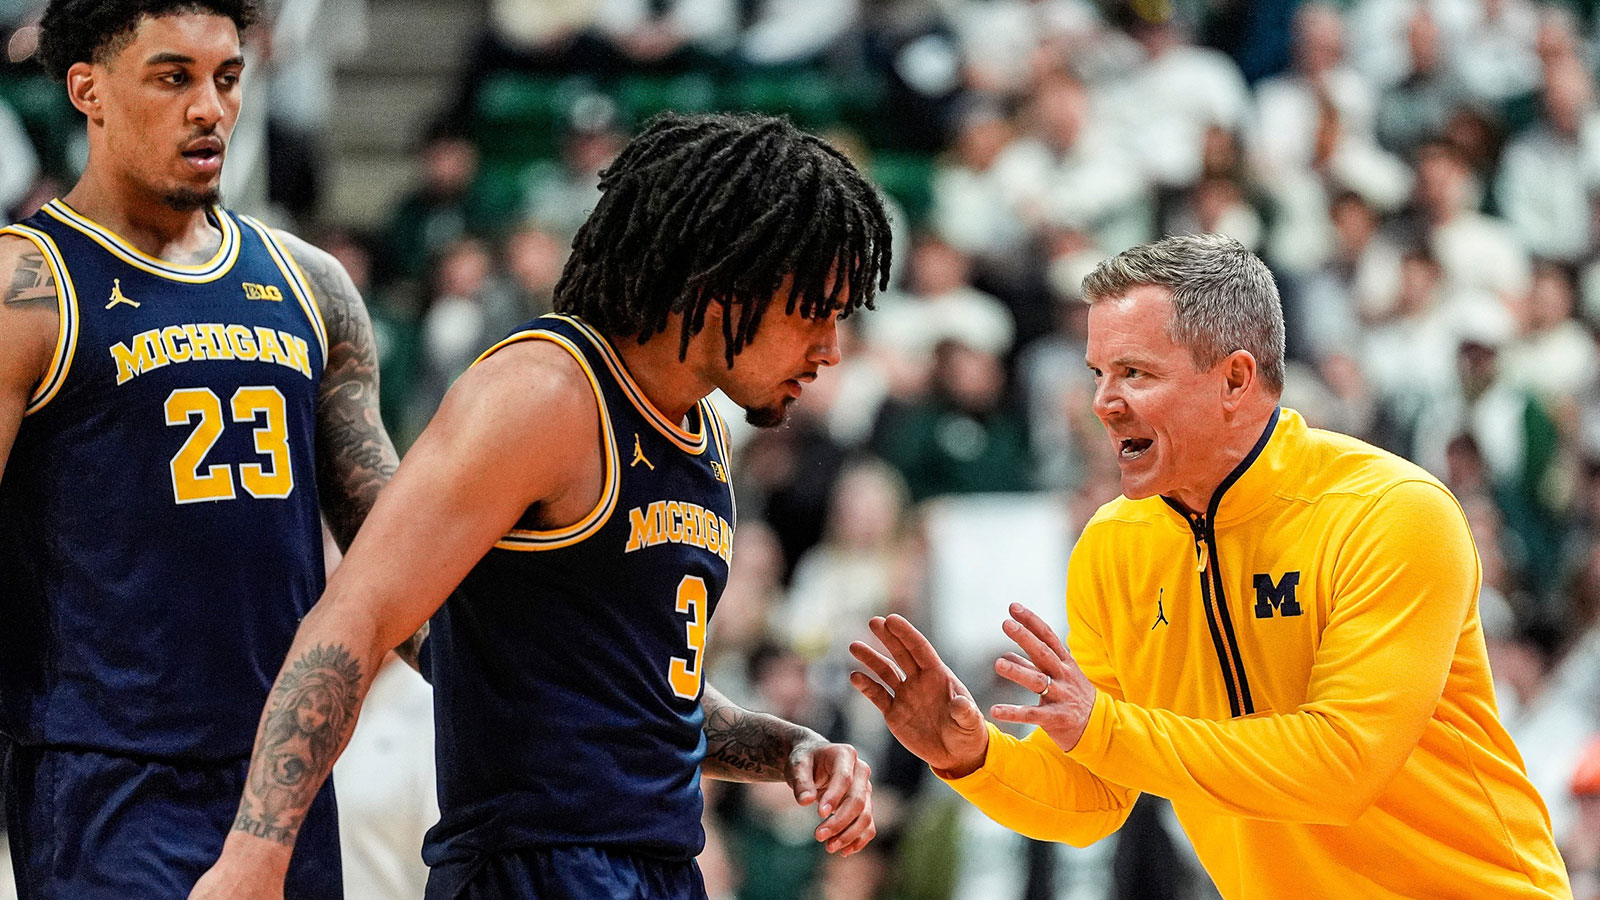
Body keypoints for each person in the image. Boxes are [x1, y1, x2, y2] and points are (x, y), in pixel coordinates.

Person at [190, 111, 893, 900]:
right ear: (727, 282)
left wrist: (789, 747)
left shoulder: (700, 434)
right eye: (815, 311)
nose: (832, 348)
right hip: (532, 868)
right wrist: (255, 855)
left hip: (660, 867)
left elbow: (650, 695)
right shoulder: (545, 394)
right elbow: (352, 620)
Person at [849, 233, 1574, 899]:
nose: (1103, 402)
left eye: (1135, 372)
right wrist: (975, 756)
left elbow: (1341, 766)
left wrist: (1106, 730)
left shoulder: (1391, 513)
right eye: (1099, 371)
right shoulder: (1113, 545)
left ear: (1234, 380)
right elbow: (1093, 795)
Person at [0, 1, 403, 897]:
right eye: (173, 76)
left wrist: (589, 703)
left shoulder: (314, 286)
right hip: (106, 782)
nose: (210, 108)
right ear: (88, 90)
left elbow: (401, 562)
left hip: (283, 783)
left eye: (227, 78)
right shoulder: (24, 289)